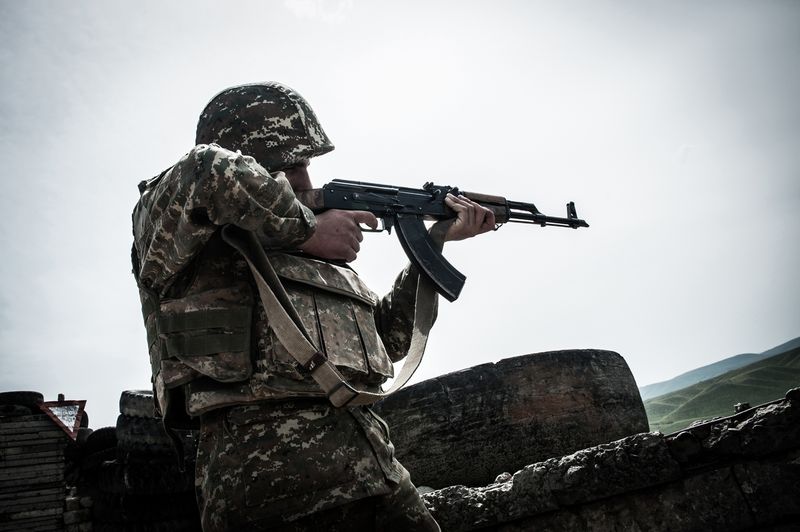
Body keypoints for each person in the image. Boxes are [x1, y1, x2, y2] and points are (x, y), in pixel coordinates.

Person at [131, 82, 495, 531]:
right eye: (292, 164)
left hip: (374, 473)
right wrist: (307, 230)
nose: (306, 179)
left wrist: (434, 243)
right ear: (251, 160)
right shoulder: (177, 220)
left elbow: (390, 341)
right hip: (267, 486)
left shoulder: (317, 260)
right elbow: (206, 170)